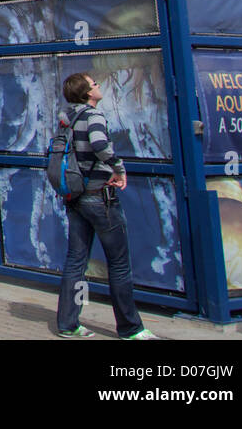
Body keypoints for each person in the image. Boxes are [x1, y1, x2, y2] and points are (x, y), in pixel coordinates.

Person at [55, 72, 158, 339]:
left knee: (76, 261)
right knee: (119, 264)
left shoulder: (67, 118)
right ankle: (130, 328)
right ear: (88, 93)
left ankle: (68, 325)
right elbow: (100, 144)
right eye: (94, 84)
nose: (99, 86)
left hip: (76, 197)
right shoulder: (93, 115)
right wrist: (118, 168)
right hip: (100, 198)